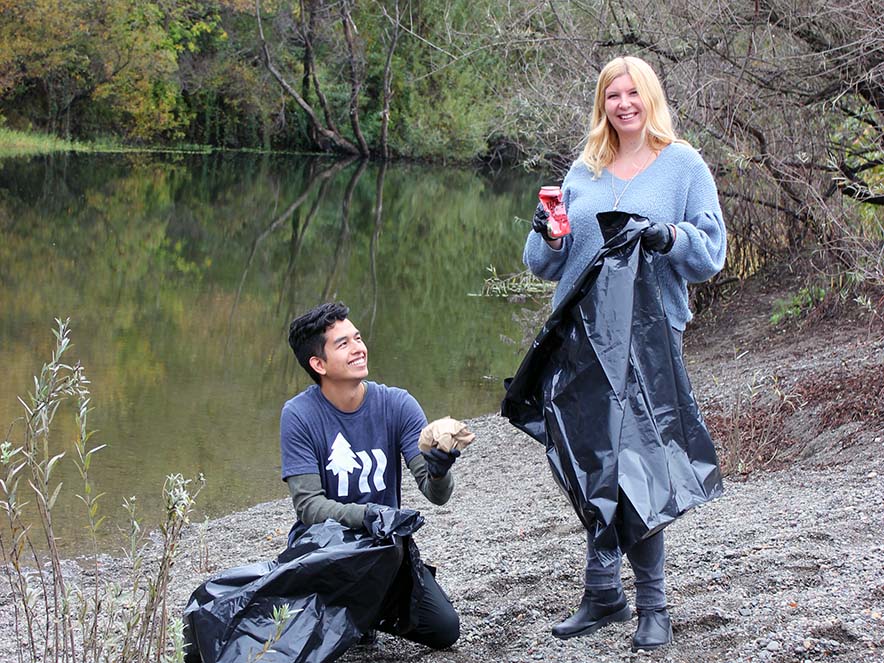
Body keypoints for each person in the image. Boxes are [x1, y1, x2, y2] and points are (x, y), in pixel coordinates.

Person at [524, 55, 727, 651]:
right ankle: (602, 592)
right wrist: (546, 231)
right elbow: (543, 265)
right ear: (602, 104)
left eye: (632, 93)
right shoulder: (584, 169)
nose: (623, 104)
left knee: (638, 467)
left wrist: (669, 236)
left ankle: (654, 605)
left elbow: (710, 252)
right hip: (580, 339)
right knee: (591, 464)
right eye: (612, 95)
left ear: (651, 98)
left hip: (649, 341)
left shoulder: (682, 165)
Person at [280, 301, 461, 651]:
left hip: (383, 552)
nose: (358, 348)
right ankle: (352, 612)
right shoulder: (299, 415)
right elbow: (309, 507)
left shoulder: (397, 404)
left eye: (358, 338)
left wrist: (440, 471)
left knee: (444, 629)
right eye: (343, 344)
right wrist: (369, 514)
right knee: (299, 645)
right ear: (318, 364)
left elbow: (435, 493)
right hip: (324, 550)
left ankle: (366, 613)